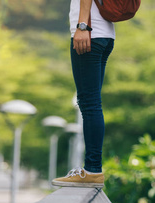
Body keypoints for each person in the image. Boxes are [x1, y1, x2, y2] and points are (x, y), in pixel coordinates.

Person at [52, 0, 115, 188]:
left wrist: (82, 26)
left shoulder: (85, 28)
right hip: (104, 34)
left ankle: (92, 170)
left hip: (90, 32)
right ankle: (92, 169)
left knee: (89, 103)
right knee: (92, 103)